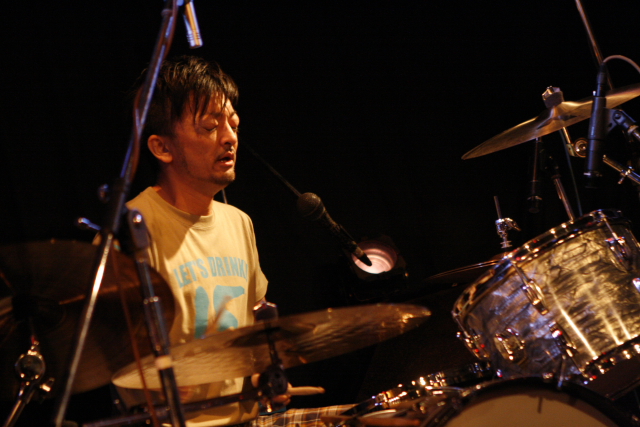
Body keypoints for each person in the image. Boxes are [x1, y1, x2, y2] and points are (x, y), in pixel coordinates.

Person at [123, 55, 353, 427]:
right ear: (162, 147)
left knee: (381, 417)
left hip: (248, 419)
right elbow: (107, 354)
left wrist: (265, 375)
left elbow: (254, 331)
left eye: (233, 124)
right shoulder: (133, 228)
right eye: (210, 126)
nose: (230, 137)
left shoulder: (238, 223)